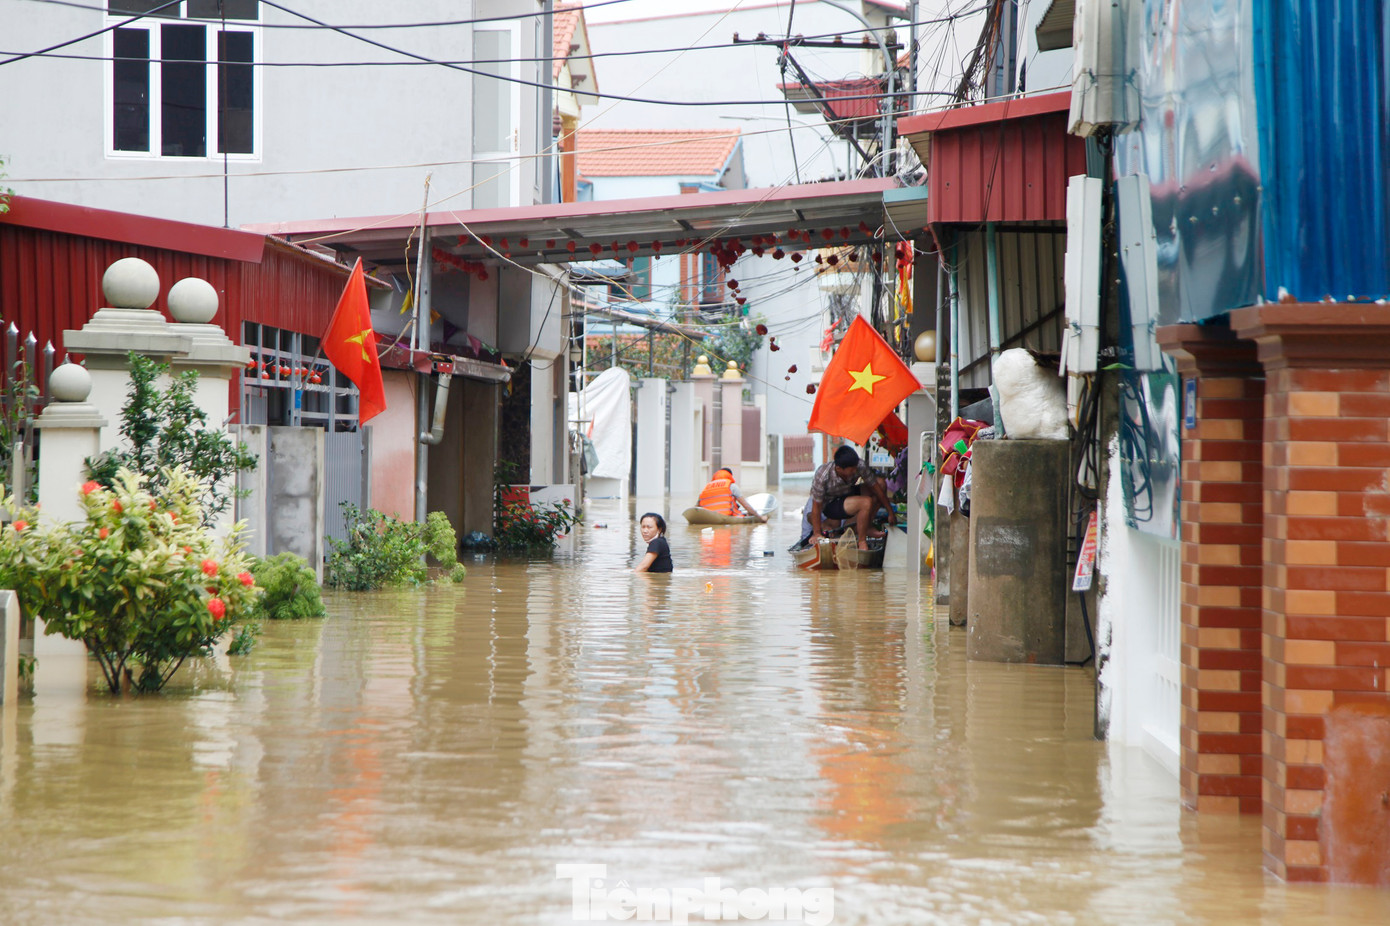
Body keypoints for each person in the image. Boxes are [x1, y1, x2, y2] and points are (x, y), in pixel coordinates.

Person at [807, 446, 896, 550]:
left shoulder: (859, 465)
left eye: (855, 467)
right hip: (831, 504)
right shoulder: (823, 475)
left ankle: (866, 526)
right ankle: (862, 541)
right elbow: (816, 506)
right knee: (866, 502)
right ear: (839, 469)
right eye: (852, 469)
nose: (855, 471)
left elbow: (876, 487)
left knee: (881, 484)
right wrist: (817, 533)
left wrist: (890, 512)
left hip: (848, 492)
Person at [697, 467, 768, 522]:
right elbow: (745, 505)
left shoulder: (707, 486)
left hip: (707, 516)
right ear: (730, 476)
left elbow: (698, 506)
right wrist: (760, 517)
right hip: (725, 516)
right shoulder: (731, 486)